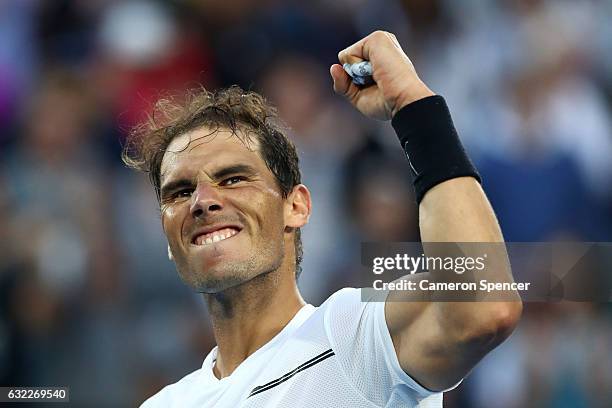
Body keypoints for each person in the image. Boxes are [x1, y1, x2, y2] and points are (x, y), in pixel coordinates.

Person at [125, 31, 522, 407]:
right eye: (179, 192)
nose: (203, 201)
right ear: (167, 236)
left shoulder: (352, 336)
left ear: (295, 207)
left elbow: (482, 304)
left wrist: (413, 106)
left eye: (233, 179)